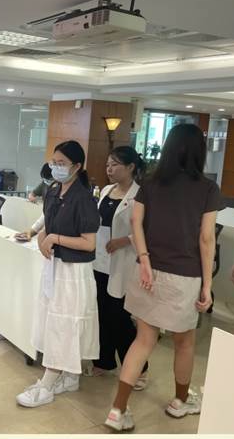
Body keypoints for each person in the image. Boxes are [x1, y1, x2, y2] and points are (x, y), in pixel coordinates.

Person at [105, 124, 221, 431]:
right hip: (184, 276)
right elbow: (206, 238)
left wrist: (144, 260)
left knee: (143, 340)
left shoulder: (150, 183)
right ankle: (180, 402)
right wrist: (207, 285)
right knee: (184, 342)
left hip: (147, 272)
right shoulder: (207, 188)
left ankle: (117, 410)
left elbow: (136, 222)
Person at [16, 140, 100, 408]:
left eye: (62, 163)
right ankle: (70, 377)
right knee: (52, 320)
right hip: (54, 267)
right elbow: (49, 222)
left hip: (74, 272)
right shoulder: (54, 190)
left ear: (77, 166)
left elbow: (89, 243)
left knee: (64, 325)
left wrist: (54, 238)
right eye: (54, 162)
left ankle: (47, 384)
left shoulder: (84, 198)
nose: (56, 167)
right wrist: (40, 234)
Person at [86, 147, 149, 389]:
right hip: (100, 260)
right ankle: (104, 361)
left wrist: (124, 240)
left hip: (124, 262)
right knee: (101, 311)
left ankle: (139, 370)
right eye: (107, 165)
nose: (109, 169)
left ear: (131, 167)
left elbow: (147, 229)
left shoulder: (141, 195)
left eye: (115, 165)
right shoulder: (106, 190)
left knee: (120, 317)